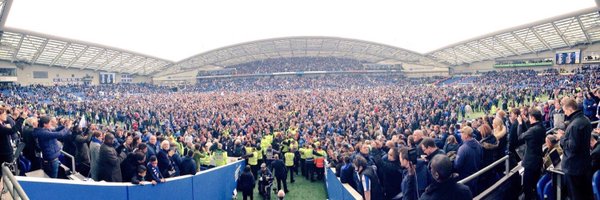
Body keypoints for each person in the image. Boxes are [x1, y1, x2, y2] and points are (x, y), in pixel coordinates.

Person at [556, 98, 593, 199]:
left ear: (570, 109)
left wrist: (561, 138)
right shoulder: (585, 119)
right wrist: (566, 136)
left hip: (574, 167)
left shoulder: (574, 125)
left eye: (565, 110)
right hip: (584, 164)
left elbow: (572, 147)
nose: (565, 113)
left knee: (576, 195)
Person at [517, 108, 545, 200]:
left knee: (527, 186)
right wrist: (526, 122)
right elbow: (531, 130)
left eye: (529, 117)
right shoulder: (541, 127)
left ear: (532, 117)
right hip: (538, 160)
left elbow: (520, 136)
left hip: (530, 162)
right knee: (535, 183)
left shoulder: (533, 131)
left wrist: (520, 124)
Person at [454, 126, 482, 194]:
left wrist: (454, 159)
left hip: (465, 177)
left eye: (462, 133)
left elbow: (457, 165)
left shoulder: (463, 148)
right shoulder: (479, 144)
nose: (460, 135)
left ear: (466, 135)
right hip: (476, 174)